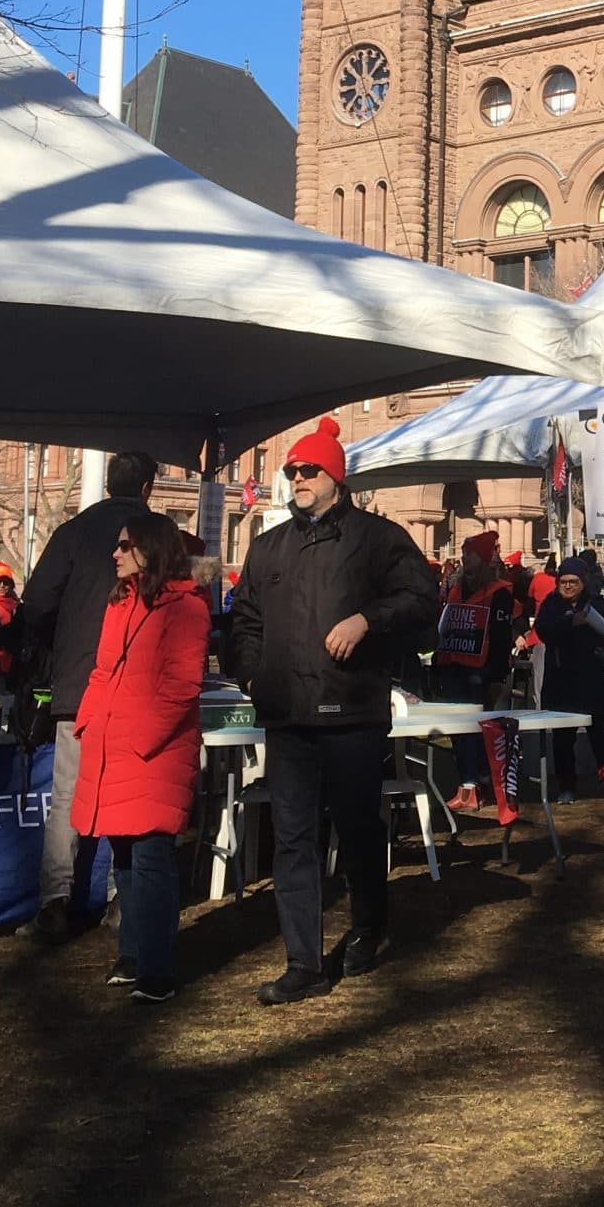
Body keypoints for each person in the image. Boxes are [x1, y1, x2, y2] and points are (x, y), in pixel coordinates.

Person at [226, 416, 435, 1004]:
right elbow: (243, 620)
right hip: (288, 715)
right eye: (292, 469)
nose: (298, 477)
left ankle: (369, 928)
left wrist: (367, 619)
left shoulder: (377, 537)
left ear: (335, 477)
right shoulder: (268, 545)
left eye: (309, 469)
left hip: (351, 713)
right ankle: (304, 963)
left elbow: (421, 598)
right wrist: (249, 673)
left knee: (359, 829)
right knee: (292, 838)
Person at [11, 452, 158, 943]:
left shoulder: (74, 531)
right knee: (128, 793)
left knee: (68, 796)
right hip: (135, 686)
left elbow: (35, 603)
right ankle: (122, 900)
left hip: (78, 684)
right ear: (147, 487)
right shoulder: (157, 535)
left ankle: (55, 902)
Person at [69, 511, 210, 1005]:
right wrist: (90, 724)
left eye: (125, 545)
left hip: (153, 752)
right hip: (113, 748)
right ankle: (132, 954)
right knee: (124, 857)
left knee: (151, 858)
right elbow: (103, 670)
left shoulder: (186, 608)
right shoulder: (120, 603)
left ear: (150, 549)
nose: (116, 552)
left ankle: (157, 966)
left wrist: (139, 739)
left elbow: (181, 685)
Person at [432, 530, 521, 812]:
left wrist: (496, 677)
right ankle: (471, 782)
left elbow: (501, 637)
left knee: (474, 728)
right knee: (460, 729)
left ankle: (474, 783)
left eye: (468, 553)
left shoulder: (500, 593)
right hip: (452, 666)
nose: (463, 557)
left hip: (479, 671)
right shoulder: (455, 589)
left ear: (481, 559)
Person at [533, 553, 604, 805]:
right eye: (564, 581)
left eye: (574, 581)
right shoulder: (551, 604)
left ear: (584, 582)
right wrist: (569, 622)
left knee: (601, 734)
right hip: (561, 681)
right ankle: (566, 786)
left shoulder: (598, 604)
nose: (568, 586)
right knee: (563, 738)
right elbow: (543, 631)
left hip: (592, 679)